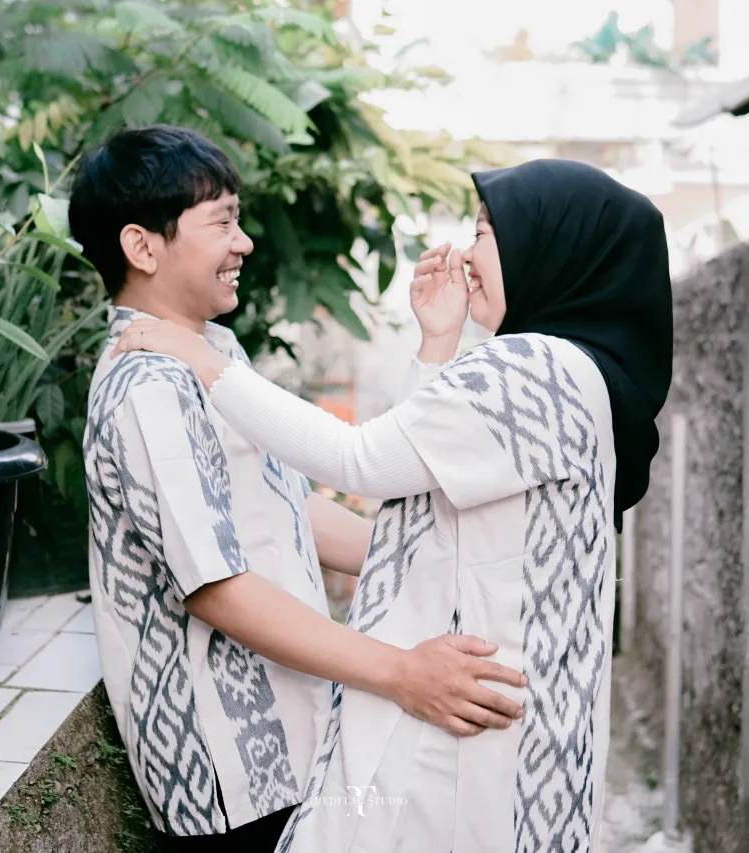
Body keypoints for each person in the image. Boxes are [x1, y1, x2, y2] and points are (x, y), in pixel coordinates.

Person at [112, 158, 674, 853]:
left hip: (471, 722)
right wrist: (437, 342)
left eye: (486, 233)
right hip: (511, 725)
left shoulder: (532, 369)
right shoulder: (571, 376)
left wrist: (205, 363)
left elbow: (361, 459)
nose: (466, 254)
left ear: (551, 248)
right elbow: (423, 500)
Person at [72, 126, 529, 853]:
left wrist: (442, 558)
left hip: (289, 747)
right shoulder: (148, 382)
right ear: (143, 247)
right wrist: (403, 673)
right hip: (233, 779)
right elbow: (216, 588)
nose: (244, 242)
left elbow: (284, 506)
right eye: (222, 221)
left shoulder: (208, 351)